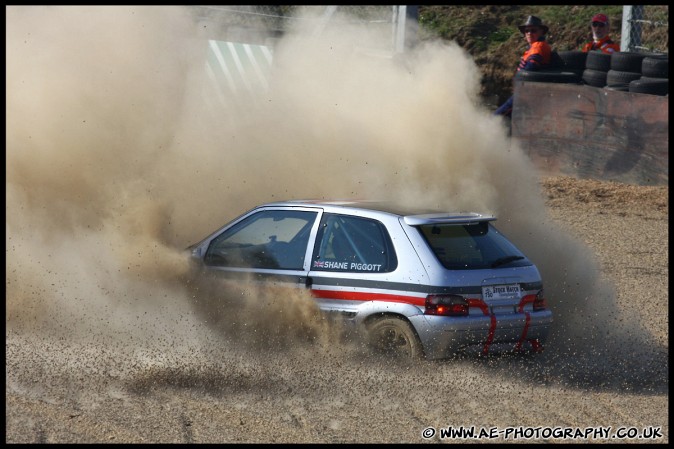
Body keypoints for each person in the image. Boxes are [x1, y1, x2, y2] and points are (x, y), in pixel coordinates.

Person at [494, 16, 552, 117]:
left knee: (496, 118)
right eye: (527, 31)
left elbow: (530, 68)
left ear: (541, 32)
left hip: (528, 94)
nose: (529, 33)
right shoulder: (533, 47)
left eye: (533, 30)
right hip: (525, 92)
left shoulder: (539, 46)